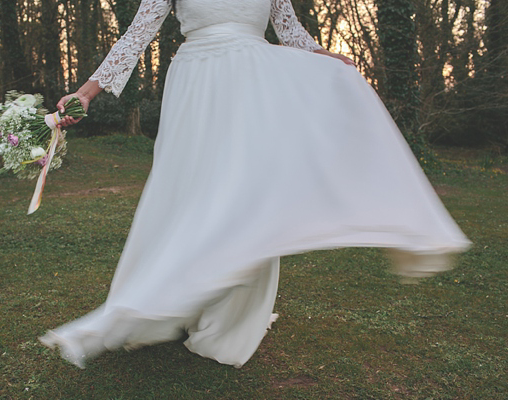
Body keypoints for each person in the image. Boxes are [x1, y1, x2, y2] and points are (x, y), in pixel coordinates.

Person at [40, 0, 471, 369]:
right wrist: (86, 93)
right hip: (199, 83)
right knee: (190, 189)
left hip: (255, 83)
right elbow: (136, 35)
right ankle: (163, 294)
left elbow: (288, 28)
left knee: (246, 190)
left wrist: (323, 56)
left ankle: (228, 310)